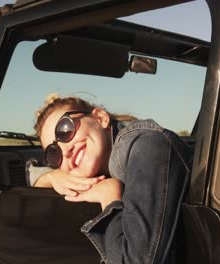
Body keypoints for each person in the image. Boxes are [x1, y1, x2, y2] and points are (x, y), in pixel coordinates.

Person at [32, 94, 192, 264]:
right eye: (54, 153)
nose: (65, 151)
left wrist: (109, 199)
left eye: (65, 130)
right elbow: (33, 177)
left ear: (100, 118)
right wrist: (50, 177)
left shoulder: (144, 146)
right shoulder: (111, 159)